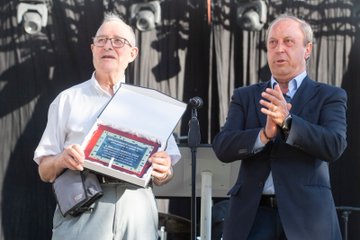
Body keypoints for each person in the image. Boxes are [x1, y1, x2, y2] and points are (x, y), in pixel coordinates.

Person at [34, 12, 181, 240]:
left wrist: (164, 170)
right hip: (84, 206)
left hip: (136, 208)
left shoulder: (152, 105)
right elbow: (44, 170)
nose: (108, 46)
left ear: (133, 54)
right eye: (101, 40)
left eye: (118, 41)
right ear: (92, 49)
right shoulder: (67, 100)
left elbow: (167, 170)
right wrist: (61, 159)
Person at [212, 14, 347, 240]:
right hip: (252, 217)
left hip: (308, 220)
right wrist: (263, 135)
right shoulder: (245, 96)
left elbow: (334, 145)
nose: (279, 48)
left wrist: (288, 123)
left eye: (288, 41)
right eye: (273, 42)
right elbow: (222, 146)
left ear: (307, 49)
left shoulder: (329, 95)